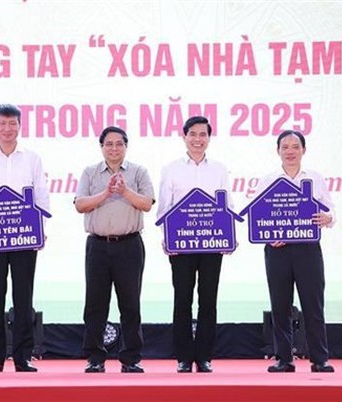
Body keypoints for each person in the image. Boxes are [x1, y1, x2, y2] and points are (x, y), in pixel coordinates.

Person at [0, 104, 50, 372]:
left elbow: (40, 195)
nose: (7, 129)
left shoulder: (32, 158)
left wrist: (40, 229)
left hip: (25, 238)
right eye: (2, 124)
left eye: (12, 124)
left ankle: (23, 355)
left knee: (23, 297)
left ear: (19, 126)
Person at [74, 126, 154, 373]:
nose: (114, 148)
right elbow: (80, 205)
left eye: (119, 144)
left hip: (129, 245)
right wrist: (107, 192)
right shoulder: (89, 173)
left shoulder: (139, 171)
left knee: (130, 304)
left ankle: (131, 358)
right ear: (101, 147)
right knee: (95, 304)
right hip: (98, 245)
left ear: (126, 147)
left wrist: (124, 191)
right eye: (109, 144)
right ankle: (95, 357)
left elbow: (147, 204)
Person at [156, 116, 231, 373]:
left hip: (212, 244)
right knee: (182, 300)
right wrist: (167, 239)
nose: (198, 139)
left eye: (203, 135)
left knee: (209, 301)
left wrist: (229, 237)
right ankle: (184, 357)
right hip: (181, 246)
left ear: (209, 138)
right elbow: (164, 208)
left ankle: (205, 356)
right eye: (193, 134)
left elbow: (226, 206)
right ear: (184, 136)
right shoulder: (171, 169)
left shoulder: (219, 169)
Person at [260, 130, 335, 373]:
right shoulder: (268, 179)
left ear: (304, 150)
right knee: (280, 305)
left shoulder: (314, 178)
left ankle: (319, 358)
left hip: (308, 249)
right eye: (285, 147)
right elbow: (258, 215)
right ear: (278, 151)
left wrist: (327, 217)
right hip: (277, 250)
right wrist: (269, 236)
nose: (290, 151)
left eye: (295, 146)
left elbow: (331, 211)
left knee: (313, 304)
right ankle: (284, 359)